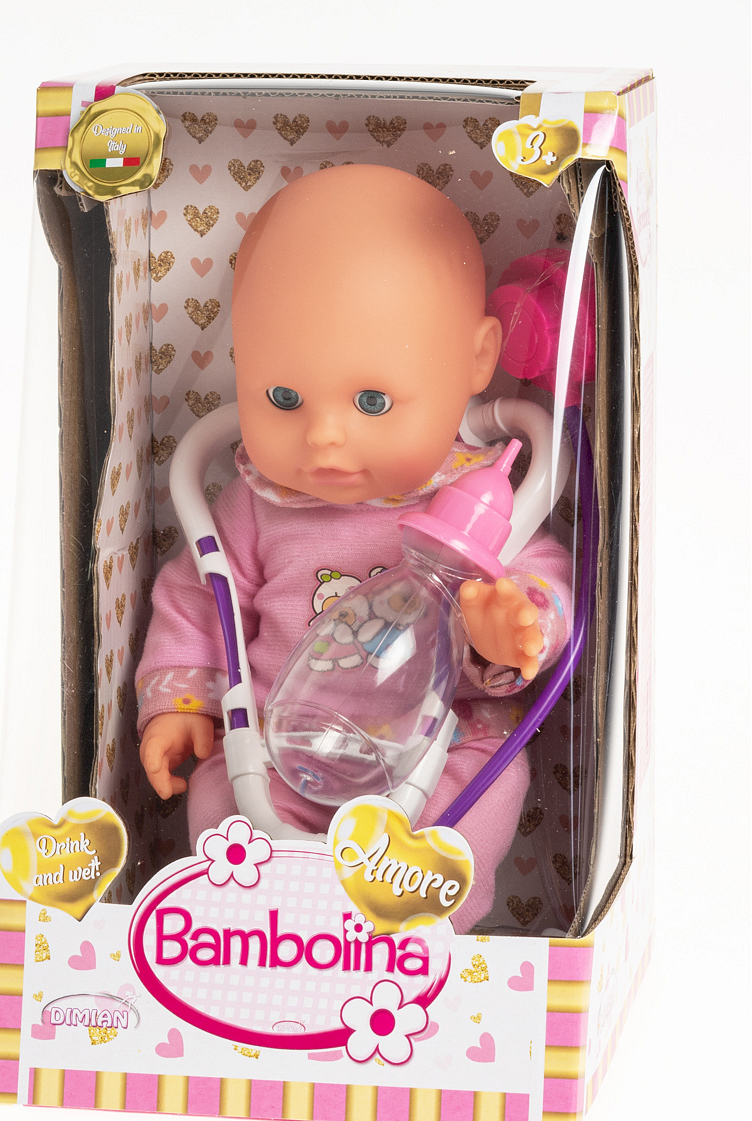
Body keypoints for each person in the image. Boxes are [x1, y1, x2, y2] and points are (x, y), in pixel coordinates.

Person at [135, 164, 572, 930]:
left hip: (438, 747)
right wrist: (179, 704)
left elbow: (547, 586)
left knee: (476, 805)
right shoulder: (255, 503)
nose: (324, 435)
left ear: (476, 360)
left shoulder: (489, 501)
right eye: (283, 398)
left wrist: (511, 627)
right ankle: (254, 934)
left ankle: (415, 939)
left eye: (372, 401)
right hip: (277, 743)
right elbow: (201, 599)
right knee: (222, 806)